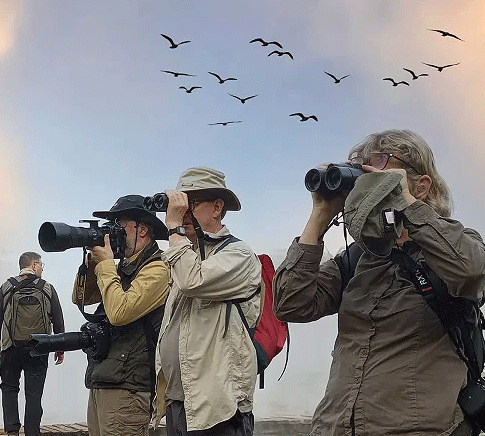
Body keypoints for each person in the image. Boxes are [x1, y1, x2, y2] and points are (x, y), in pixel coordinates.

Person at [272, 129, 485, 436]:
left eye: (381, 164)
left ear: (422, 186)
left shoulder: (456, 245)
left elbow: (471, 272)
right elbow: (290, 303)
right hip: (336, 427)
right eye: (360, 166)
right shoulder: (359, 258)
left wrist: (405, 202)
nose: (366, 177)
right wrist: (320, 214)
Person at [152, 166, 262, 435]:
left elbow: (193, 280)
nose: (185, 214)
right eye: (181, 205)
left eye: (193, 204)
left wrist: (173, 228)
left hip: (217, 408)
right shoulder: (187, 255)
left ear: (217, 207)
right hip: (180, 403)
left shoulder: (239, 254)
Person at [72, 194, 170, 436]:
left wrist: (105, 265)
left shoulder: (158, 270)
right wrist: (92, 263)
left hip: (129, 390)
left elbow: (119, 312)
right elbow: (82, 299)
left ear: (143, 229)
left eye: (120, 225)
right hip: (104, 381)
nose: (112, 232)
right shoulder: (122, 269)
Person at [0, 252, 65, 436]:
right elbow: (58, 320)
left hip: (10, 349)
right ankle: (32, 432)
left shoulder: (7, 286)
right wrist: (59, 347)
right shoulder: (47, 288)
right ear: (33, 266)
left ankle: (12, 431)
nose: (42, 269)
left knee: (9, 389)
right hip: (38, 349)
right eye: (41, 265)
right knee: (34, 394)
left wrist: (4, 339)